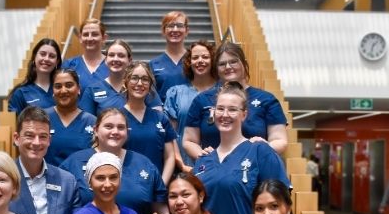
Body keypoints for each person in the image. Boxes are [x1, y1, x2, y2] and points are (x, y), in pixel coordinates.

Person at [193, 82, 290, 214]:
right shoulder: (203, 160)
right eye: (220, 108)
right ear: (213, 112)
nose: (225, 114)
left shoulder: (259, 151)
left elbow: (280, 205)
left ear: (244, 114)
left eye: (232, 109)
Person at [60, 108, 168, 214]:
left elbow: (161, 210)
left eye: (121, 127)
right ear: (95, 130)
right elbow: (60, 209)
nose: (115, 131)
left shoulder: (144, 164)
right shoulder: (74, 163)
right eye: (109, 126)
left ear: (127, 132)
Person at [183, 42, 288, 159]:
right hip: (214, 169)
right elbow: (189, 141)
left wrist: (261, 148)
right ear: (216, 69)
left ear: (244, 63)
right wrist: (205, 158)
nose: (228, 67)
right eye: (222, 64)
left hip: (254, 166)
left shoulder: (266, 99)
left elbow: (280, 140)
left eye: (233, 61)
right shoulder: (202, 100)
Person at [164, 40, 217, 170]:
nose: (200, 61)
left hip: (219, 165)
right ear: (189, 62)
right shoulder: (176, 93)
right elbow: (170, 135)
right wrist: (180, 163)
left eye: (205, 57)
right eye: (195, 57)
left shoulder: (224, 93)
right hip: (186, 166)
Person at [122, 61, 177, 183]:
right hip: (126, 186)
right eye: (134, 78)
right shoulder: (117, 117)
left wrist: (161, 185)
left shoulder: (160, 118)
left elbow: (169, 157)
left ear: (150, 85)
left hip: (156, 187)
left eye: (145, 79)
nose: (140, 83)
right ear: (126, 81)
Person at [80, 40, 163, 115]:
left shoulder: (141, 86)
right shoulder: (93, 90)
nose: (116, 59)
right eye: (111, 55)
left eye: (121, 55)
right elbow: (86, 124)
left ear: (130, 60)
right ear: (105, 60)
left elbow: (158, 117)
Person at [45, 68, 97, 167]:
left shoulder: (92, 122)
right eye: (58, 86)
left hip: (81, 180)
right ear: (53, 91)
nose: (63, 90)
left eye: (69, 85)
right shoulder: (42, 118)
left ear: (78, 89)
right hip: (48, 180)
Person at [7, 38, 62, 113]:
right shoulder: (21, 93)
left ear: (57, 62)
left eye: (52, 56)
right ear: (34, 57)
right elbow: (15, 122)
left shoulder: (62, 89)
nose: (46, 59)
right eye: (42, 54)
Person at [149, 11, 190, 99]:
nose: (175, 30)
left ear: (187, 31)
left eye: (179, 25)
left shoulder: (194, 60)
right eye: (170, 26)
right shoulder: (154, 64)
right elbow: (150, 95)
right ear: (163, 31)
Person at [63, 18, 109, 90]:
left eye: (94, 34)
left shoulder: (112, 65)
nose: (89, 38)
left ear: (104, 38)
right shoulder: (69, 65)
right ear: (80, 38)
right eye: (86, 34)